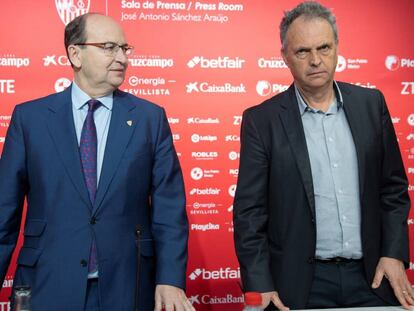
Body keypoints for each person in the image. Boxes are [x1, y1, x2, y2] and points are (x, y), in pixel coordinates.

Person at [0, 13, 195, 311]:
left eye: (125, 49)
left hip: (127, 287)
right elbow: (4, 213)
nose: (122, 58)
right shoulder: (30, 119)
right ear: (75, 53)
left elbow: (169, 209)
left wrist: (170, 279)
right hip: (48, 285)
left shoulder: (148, 119)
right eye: (108, 47)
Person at [233, 2, 412, 310]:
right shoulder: (262, 121)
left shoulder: (371, 105)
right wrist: (259, 282)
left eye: (324, 47)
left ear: (337, 48)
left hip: (372, 277)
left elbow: (392, 190)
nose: (316, 60)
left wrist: (393, 253)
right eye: (303, 51)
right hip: (300, 285)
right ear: (285, 56)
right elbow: (250, 213)